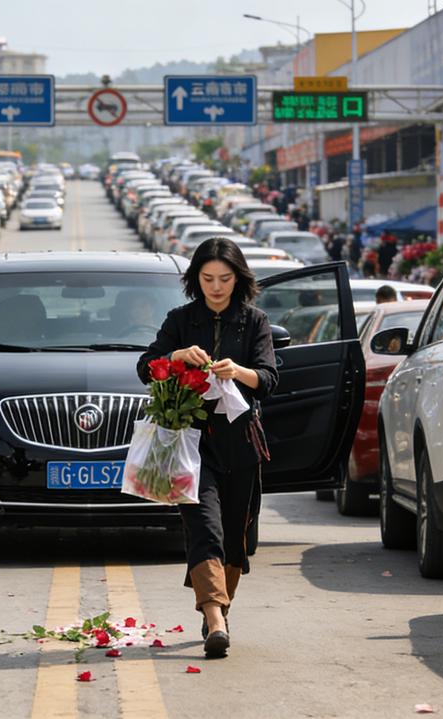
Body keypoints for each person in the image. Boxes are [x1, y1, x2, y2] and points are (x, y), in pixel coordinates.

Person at [137, 237, 278, 660]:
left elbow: (269, 379)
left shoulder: (255, 322)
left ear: (240, 278)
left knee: (235, 538)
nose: (217, 286)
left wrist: (240, 372)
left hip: (240, 445)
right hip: (190, 443)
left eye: (225, 278)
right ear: (196, 279)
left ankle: (217, 607)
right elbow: (146, 367)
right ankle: (215, 619)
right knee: (204, 527)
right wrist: (176, 355)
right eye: (208, 278)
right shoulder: (181, 320)